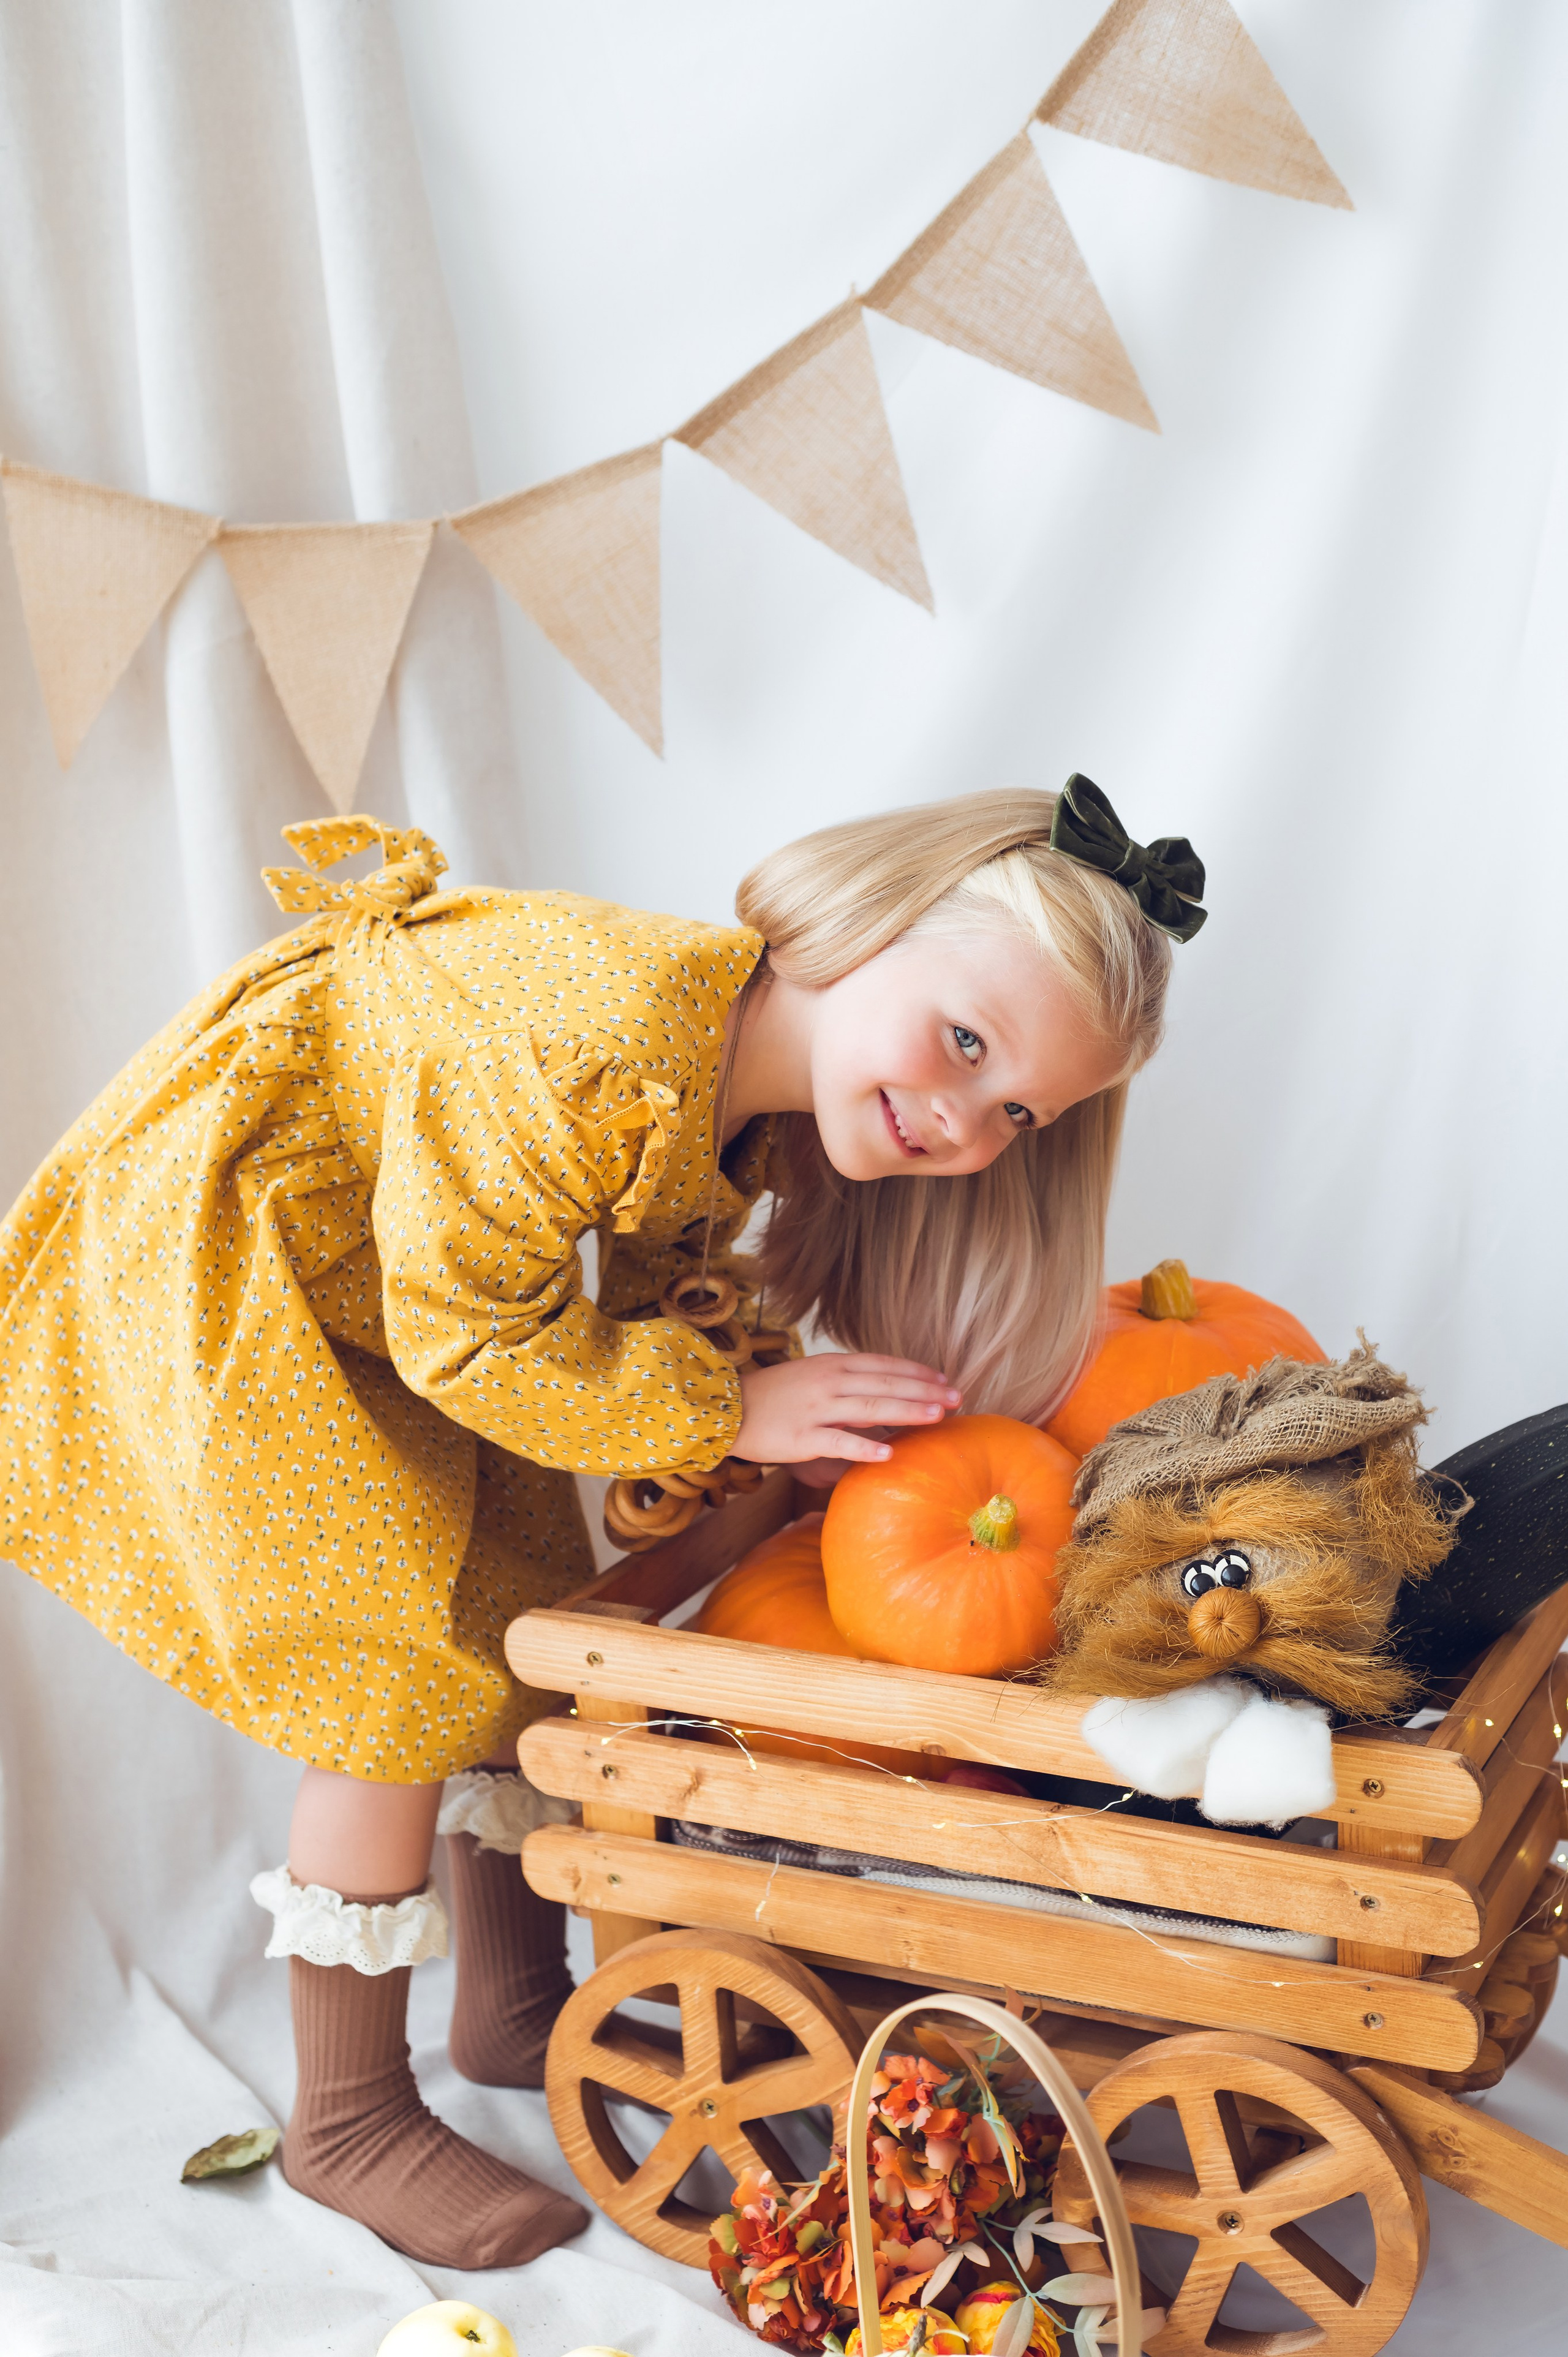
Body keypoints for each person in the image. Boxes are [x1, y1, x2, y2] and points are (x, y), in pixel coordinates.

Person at [0, 778, 1200, 2269]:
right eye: (964, 1040)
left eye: (1016, 1109)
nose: (962, 1115)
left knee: (525, 1614)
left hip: (384, 1293)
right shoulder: (591, 1043)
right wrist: (728, 1415)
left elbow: (565, 1293)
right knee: (389, 1680)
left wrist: (756, 1402)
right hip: (235, 1274)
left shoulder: (729, 1074)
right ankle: (346, 2112)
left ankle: (512, 2006)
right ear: (867, 926)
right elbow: (465, 1335)